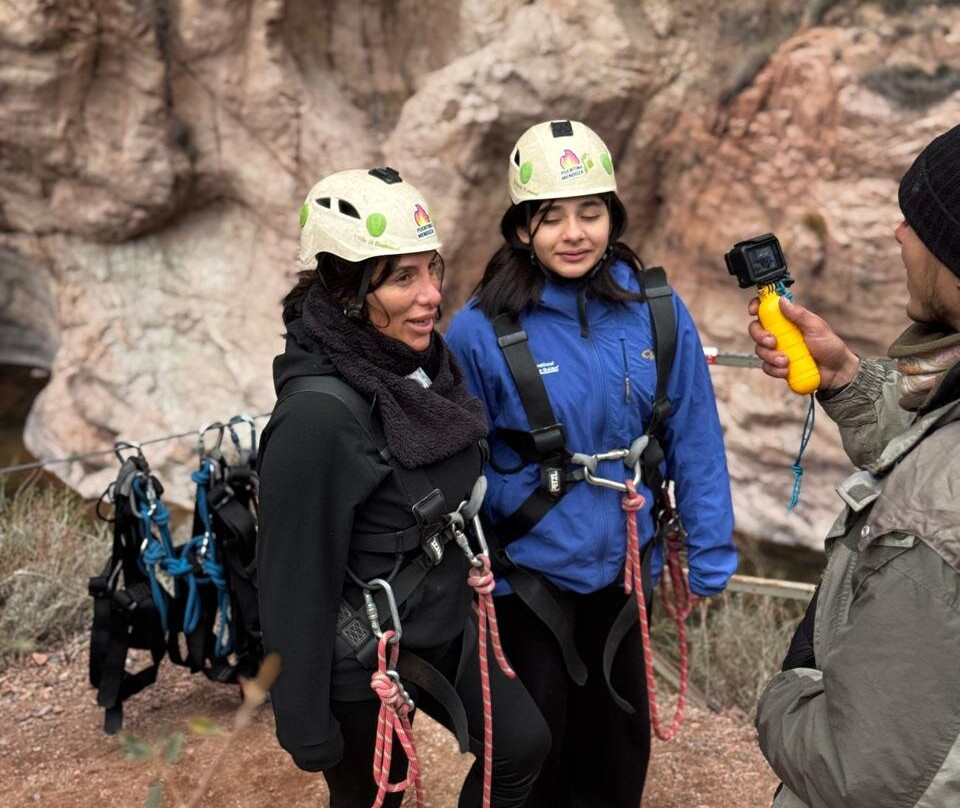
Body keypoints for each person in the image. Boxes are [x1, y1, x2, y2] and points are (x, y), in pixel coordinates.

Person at [445, 119, 737, 808]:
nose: (573, 233)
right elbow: (455, 463)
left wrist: (709, 551)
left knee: (616, 751)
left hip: (625, 567)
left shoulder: (655, 311)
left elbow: (694, 434)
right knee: (531, 752)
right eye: (550, 217)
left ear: (612, 216)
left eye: (589, 212)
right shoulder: (480, 330)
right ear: (522, 229)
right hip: (524, 574)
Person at [256, 167, 549, 808]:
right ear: (347, 291)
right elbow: (291, 578)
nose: (431, 295)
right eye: (401, 278)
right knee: (376, 798)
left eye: (430, 269)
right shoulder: (316, 419)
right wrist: (304, 722)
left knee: (521, 747)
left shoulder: (418, 365)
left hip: (439, 616)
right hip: (362, 653)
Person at [752, 124, 960, 808]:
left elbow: (861, 772)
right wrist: (846, 378)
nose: (900, 235)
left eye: (919, 222)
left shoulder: (937, 514)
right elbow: (930, 441)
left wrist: (788, 688)